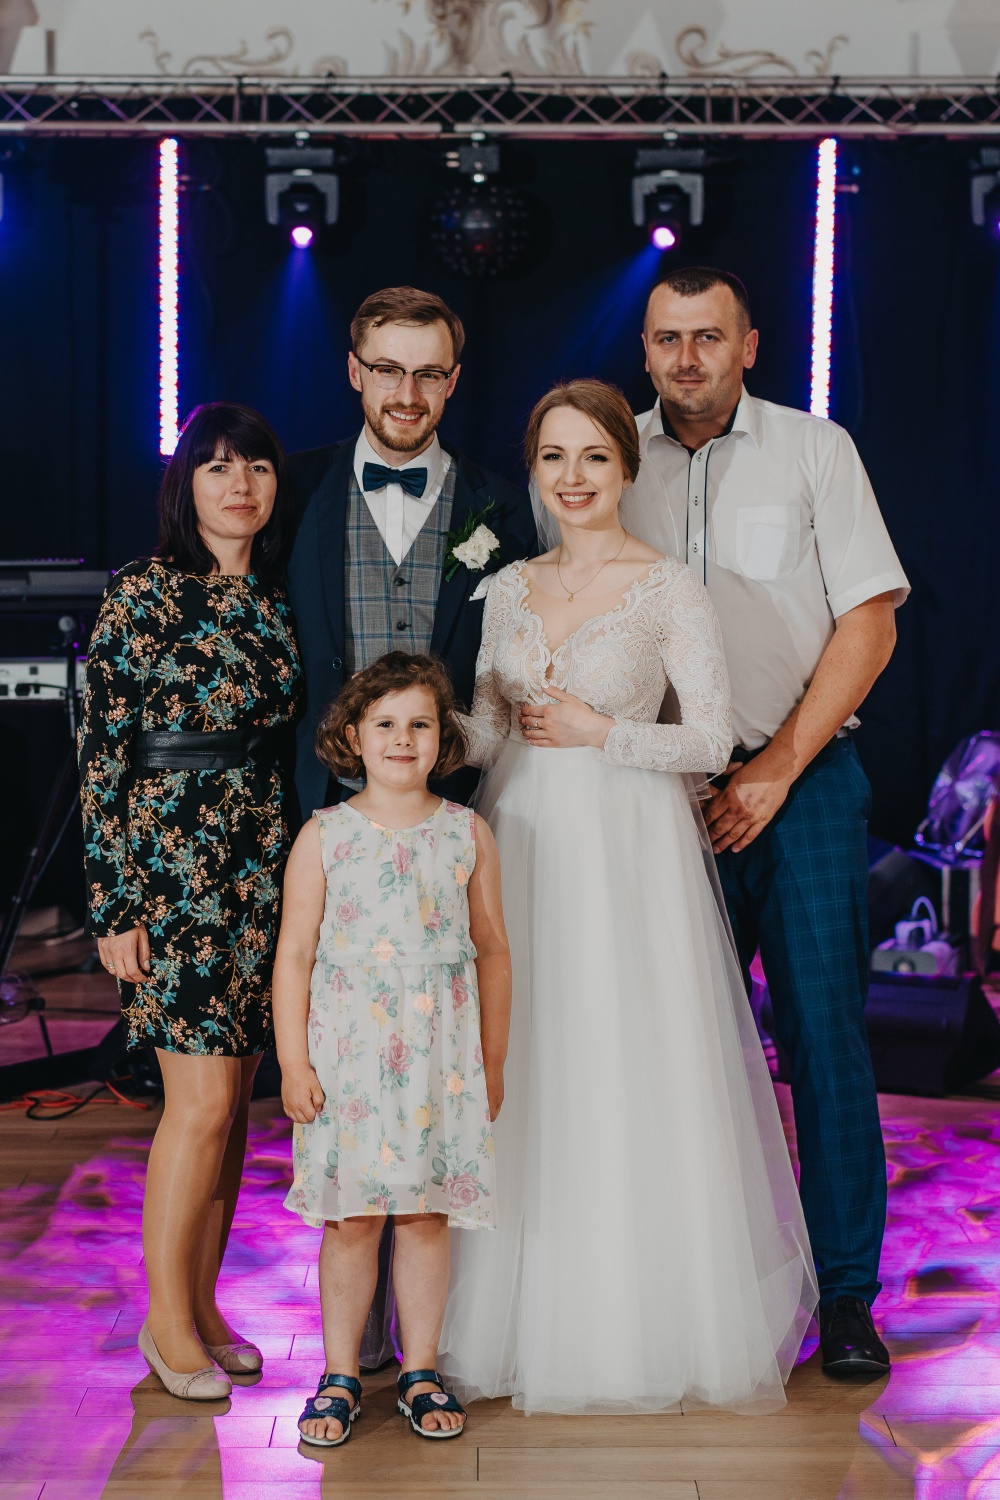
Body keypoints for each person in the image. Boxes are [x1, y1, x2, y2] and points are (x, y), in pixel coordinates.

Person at [438, 379, 817, 1416]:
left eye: (594, 457)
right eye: (553, 457)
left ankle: (636, 1321)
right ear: (533, 470)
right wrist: (401, 730)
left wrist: (600, 732)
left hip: (628, 844)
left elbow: (710, 738)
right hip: (521, 836)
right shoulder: (507, 588)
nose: (573, 477)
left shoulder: (668, 588)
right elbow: (488, 733)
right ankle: (510, 1316)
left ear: (625, 467)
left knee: (621, 1054)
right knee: (527, 1054)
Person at [620, 266, 910, 1377]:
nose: (686, 358)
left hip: (804, 781)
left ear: (748, 345)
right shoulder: (608, 456)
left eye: (708, 337)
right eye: (667, 339)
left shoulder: (814, 451)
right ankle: (682, 1293)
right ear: (645, 349)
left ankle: (845, 1297)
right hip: (658, 794)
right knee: (667, 1050)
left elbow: (870, 622)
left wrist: (774, 771)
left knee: (824, 1038)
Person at [79, 402, 303, 1400]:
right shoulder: (142, 591)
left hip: (263, 864)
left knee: (235, 1109)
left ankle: (204, 1306)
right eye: (216, 467)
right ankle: (165, 1325)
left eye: (255, 466)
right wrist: (113, 903)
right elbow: (100, 757)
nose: (239, 484)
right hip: (172, 868)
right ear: (186, 486)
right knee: (199, 1102)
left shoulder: (280, 599)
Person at [272, 652, 511, 1447]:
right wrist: (294, 1062)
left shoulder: (466, 832)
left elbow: (493, 950)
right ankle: (341, 1374)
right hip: (349, 1062)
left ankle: (421, 1369)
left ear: (443, 738)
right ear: (352, 736)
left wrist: (493, 1060)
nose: (402, 739)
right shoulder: (325, 835)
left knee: (424, 1213)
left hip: (439, 1063)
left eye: (420, 724)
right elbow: (294, 955)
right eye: (385, 724)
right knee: (350, 1221)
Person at [286, 284, 537, 823]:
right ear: (355, 372)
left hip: (460, 800)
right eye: (387, 370)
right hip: (320, 797)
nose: (407, 395)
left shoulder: (506, 509)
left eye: (428, 375)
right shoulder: (292, 490)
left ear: (453, 381)